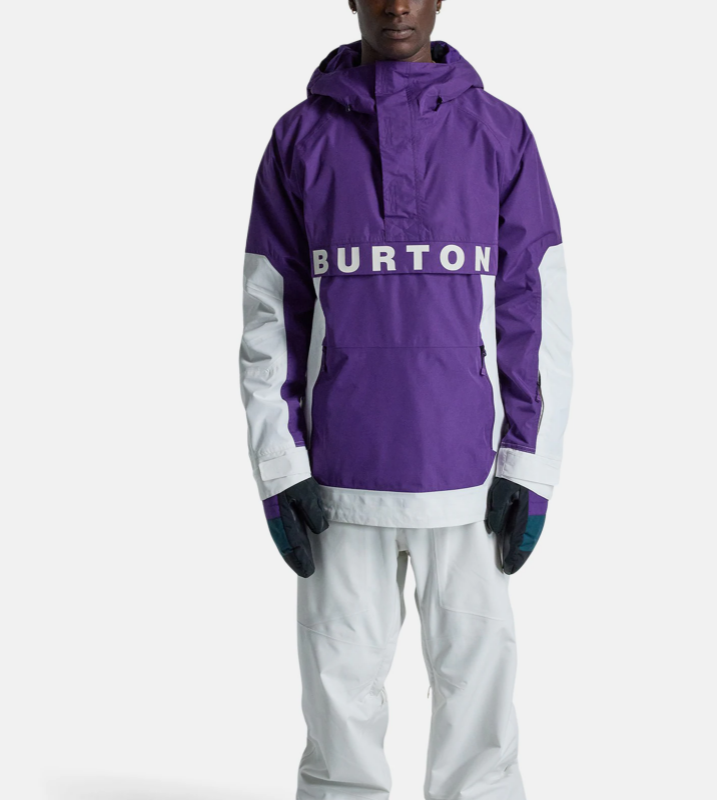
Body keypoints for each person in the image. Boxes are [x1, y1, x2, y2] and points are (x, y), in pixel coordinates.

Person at [238, 1, 573, 798]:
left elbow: (536, 307)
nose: (397, 4)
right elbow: (269, 312)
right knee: (338, 704)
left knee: (480, 706)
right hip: (339, 479)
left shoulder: (500, 134)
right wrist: (281, 466)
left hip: (469, 479)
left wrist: (529, 464)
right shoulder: (299, 138)